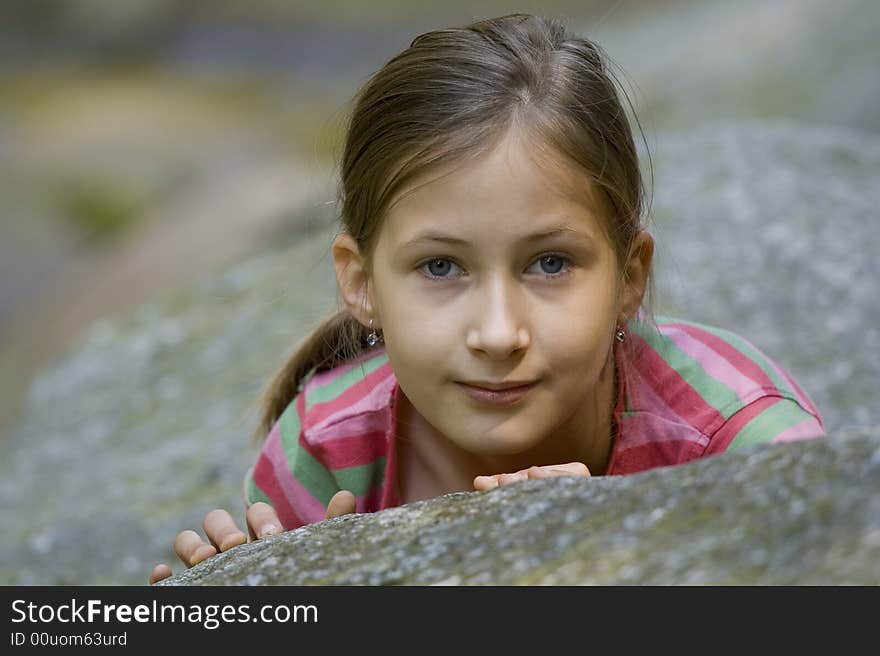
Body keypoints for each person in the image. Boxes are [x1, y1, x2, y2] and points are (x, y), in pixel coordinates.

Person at [150, 13, 825, 584]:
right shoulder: (328, 451)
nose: (499, 334)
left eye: (550, 262)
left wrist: (623, 547)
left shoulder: (746, 448)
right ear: (362, 284)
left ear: (629, 278)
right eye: (441, 266)